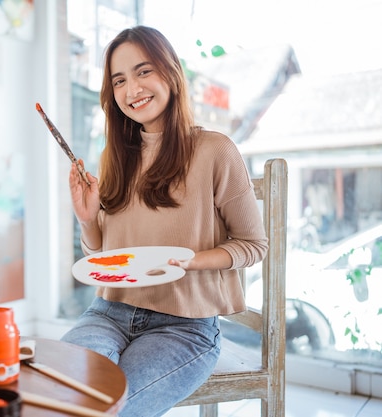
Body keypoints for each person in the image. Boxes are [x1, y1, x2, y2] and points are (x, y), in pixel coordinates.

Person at [61, 26, 268, 417]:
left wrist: (192, 260)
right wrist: (87, 220)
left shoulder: (215, 150)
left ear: (170, 73)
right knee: (62, 396)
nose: (132, 89)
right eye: (119, 80)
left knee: (105, 411)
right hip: (108, 314)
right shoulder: (115, 157)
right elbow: (105, 257)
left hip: (184, 327)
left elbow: (254, 245)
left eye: (143, 71)